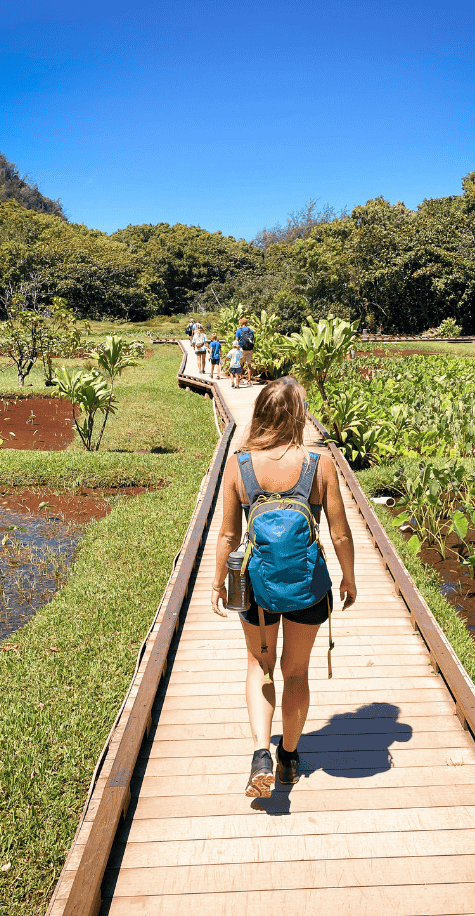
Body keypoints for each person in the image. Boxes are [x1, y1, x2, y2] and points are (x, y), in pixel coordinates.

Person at [211, 377, 356, 798]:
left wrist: (218, 582)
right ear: (297, 417)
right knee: (295, 672)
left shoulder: (239, 466)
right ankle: (289, 759)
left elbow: (227, 535)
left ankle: (261, 753)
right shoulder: (319, 464)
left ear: (259, 415)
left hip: (256, 588)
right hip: (307, 587)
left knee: (260, 665)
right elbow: (341, 533)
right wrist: (348, 577)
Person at [235, 316, 255, 385]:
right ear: (246, 323)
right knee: (248, 365)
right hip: (249, 349)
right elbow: (253, 340)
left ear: (241, 323)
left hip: (242, 349)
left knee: (241, 364)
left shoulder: (239, 330)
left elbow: (236, 340)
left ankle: (241, 379)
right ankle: (249, 380)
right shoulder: (250, 330)